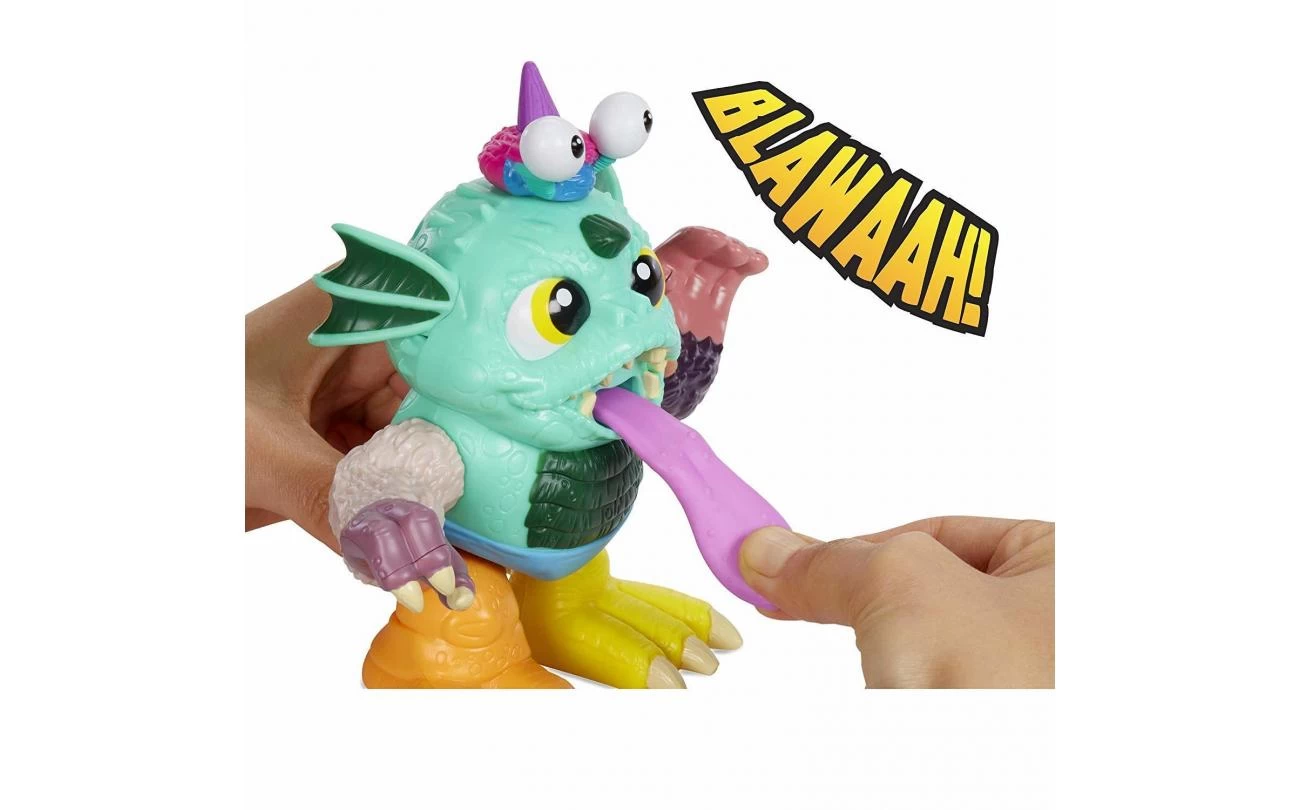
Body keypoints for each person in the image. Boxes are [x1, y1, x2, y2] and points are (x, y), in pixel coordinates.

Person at [247, 282, 1055, 688]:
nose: (635, 329)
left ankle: (566, 608)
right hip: (462, 568)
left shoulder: (611, 396)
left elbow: (665, 401)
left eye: (641, 281)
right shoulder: (447, 431)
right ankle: (469, 664)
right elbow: (395, 468)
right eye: (566, 309)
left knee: (573, 573)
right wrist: (384, 511)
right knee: (468, 614)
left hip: (569, 551)